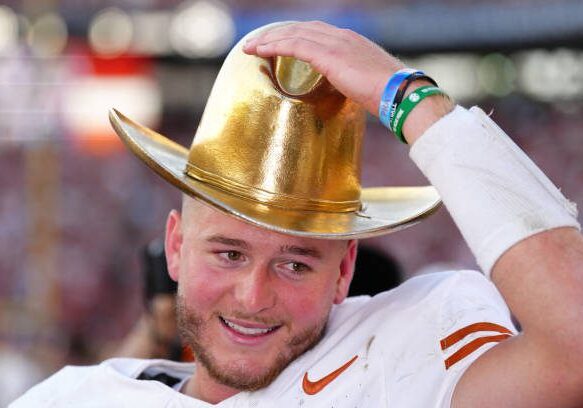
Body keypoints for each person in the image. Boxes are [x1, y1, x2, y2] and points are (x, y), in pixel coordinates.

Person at [12, 21, 583, 407]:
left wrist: (410, 99)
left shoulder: (396, 359)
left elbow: (574, 351)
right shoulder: (76, 397)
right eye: (229, 253)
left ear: (343, 272)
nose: (253, 296)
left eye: (295, 264)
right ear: (177, 247)